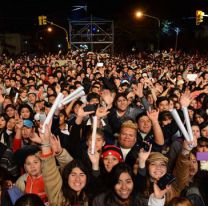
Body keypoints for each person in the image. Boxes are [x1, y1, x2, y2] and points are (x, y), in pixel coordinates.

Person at [92, 163, 166, 206]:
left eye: (128, 182)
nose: (124, 187)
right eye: (118, 182)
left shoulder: (140, 199)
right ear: (113, 183)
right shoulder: (101, 200)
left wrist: (157, 199)